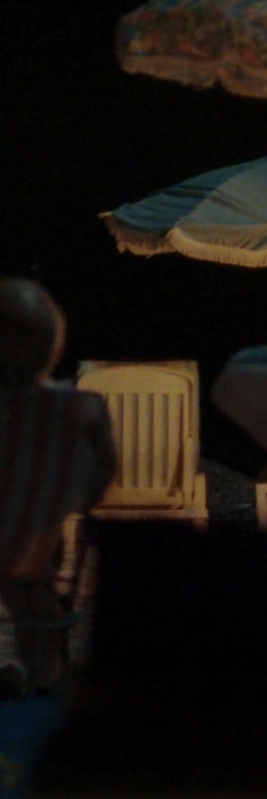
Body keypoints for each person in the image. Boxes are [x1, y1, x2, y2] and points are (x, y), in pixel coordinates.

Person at [0, 278, 118, 695]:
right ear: (53, 347)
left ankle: (37, 671)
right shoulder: (83, 407)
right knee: (35, 595)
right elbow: (103, 470)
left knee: (24, 594)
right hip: (41, 535)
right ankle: (43, 672)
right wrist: (83, 499)